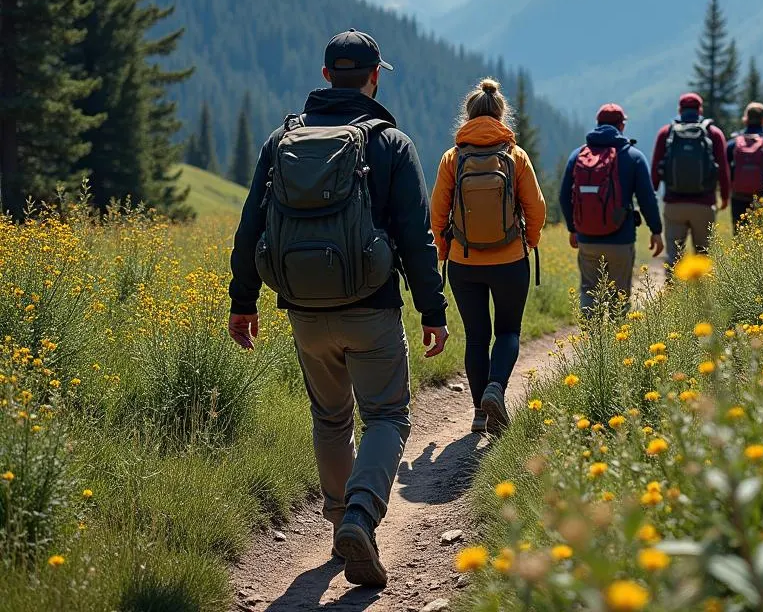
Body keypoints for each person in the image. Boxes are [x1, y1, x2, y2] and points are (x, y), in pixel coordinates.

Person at [228, 29, 448, 590]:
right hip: (371, 305)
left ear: (326, 76)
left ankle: (336, 525)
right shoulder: (390, 144)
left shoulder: (283, 139)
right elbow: (416, 236)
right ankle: (360, 517)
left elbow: (252, 222)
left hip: (302, 308)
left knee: (330, 418)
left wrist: (242, 300)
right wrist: (432, 309)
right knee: (388, 415)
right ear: (374, 77)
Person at [430, 78, 546, 436]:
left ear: (468, 116)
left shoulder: (453, 158)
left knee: (476, 336)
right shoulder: (515, 155)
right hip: (510, 260)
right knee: (508, 331)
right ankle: (497, 388)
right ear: (500, 115)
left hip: (465, 263)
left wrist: (445, 249)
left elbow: (437, 212)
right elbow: (537, 208)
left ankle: (480, 412)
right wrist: (527, 240)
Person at [558, 103, 664, 313]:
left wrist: (573, 228)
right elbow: (647, 198)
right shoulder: (633, 156)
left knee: (589, 291)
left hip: (587, 238)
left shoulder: (578, 155)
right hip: (621, 239)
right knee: (620, 298)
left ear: (597, 124)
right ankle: (617, 342)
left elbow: (563, 196)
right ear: (621, 126)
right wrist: (656, 230)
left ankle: (591, 342)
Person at [651, 92, 730, 262]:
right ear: (700, 110)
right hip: (704, 204)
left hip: (674, 204)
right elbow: (723, 169)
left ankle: (672, 288)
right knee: (703, 257)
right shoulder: (713, 133)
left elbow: (655, 170)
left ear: (680, 109)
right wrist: (724, 196)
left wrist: (652, 197)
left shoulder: (666, 133)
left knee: (674, 258)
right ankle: (701, 289)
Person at [727, 102, 763, 229]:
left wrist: (726, 191)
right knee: (760, 233)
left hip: (738, 195)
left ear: (745, 119)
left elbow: (723, 168)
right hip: (762, 195)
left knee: (740, 234)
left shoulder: (734, 143)